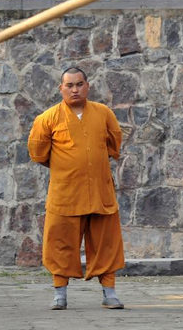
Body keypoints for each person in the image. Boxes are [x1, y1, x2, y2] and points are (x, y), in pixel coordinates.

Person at [27, 67, 124, 311]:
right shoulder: (47, 118)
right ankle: (60, 294)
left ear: (87, 86)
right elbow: (38, 153)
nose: (74, 89)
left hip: (100, 192)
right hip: (65, 193)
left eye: (79, 84)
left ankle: (109, 293)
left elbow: (114, 143)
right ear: (61, 89)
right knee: (59, 242)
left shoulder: (103, 113)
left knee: (106, 242)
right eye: (69, 85)